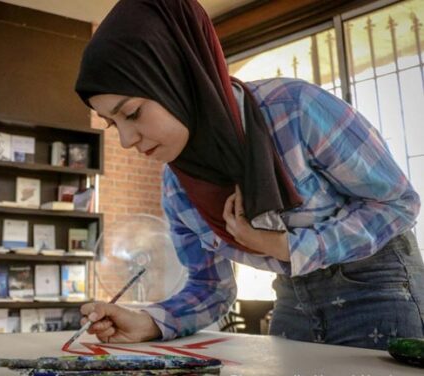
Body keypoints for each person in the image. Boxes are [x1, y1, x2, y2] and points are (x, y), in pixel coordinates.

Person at [74, 0, 423, 350]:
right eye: (112, 123)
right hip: (292, 296)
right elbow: (210, 288)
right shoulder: (178, 188)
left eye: (132, 113)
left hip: (381, 286)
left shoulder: (295, 109)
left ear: (177, 79)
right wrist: (148, 321)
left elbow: (397, 203)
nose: (125, 140)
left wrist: (285, 246)